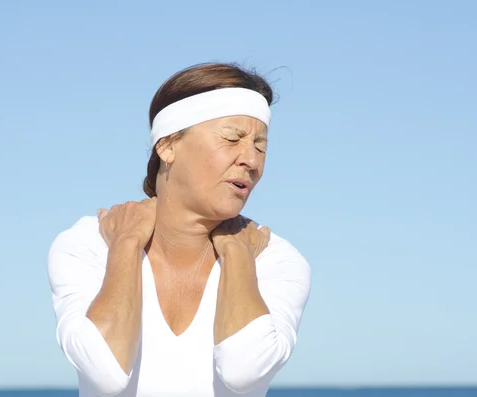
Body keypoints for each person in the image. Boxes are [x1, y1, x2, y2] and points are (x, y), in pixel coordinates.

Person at [47, 62, 312, 397]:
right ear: (168, 146)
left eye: (261, 145)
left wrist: (236, 251)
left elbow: (243, 371)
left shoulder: (275, 259)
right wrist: (127, 243)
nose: (251, 160)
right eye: (232, 138)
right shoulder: (90, 244)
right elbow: (105, 373)